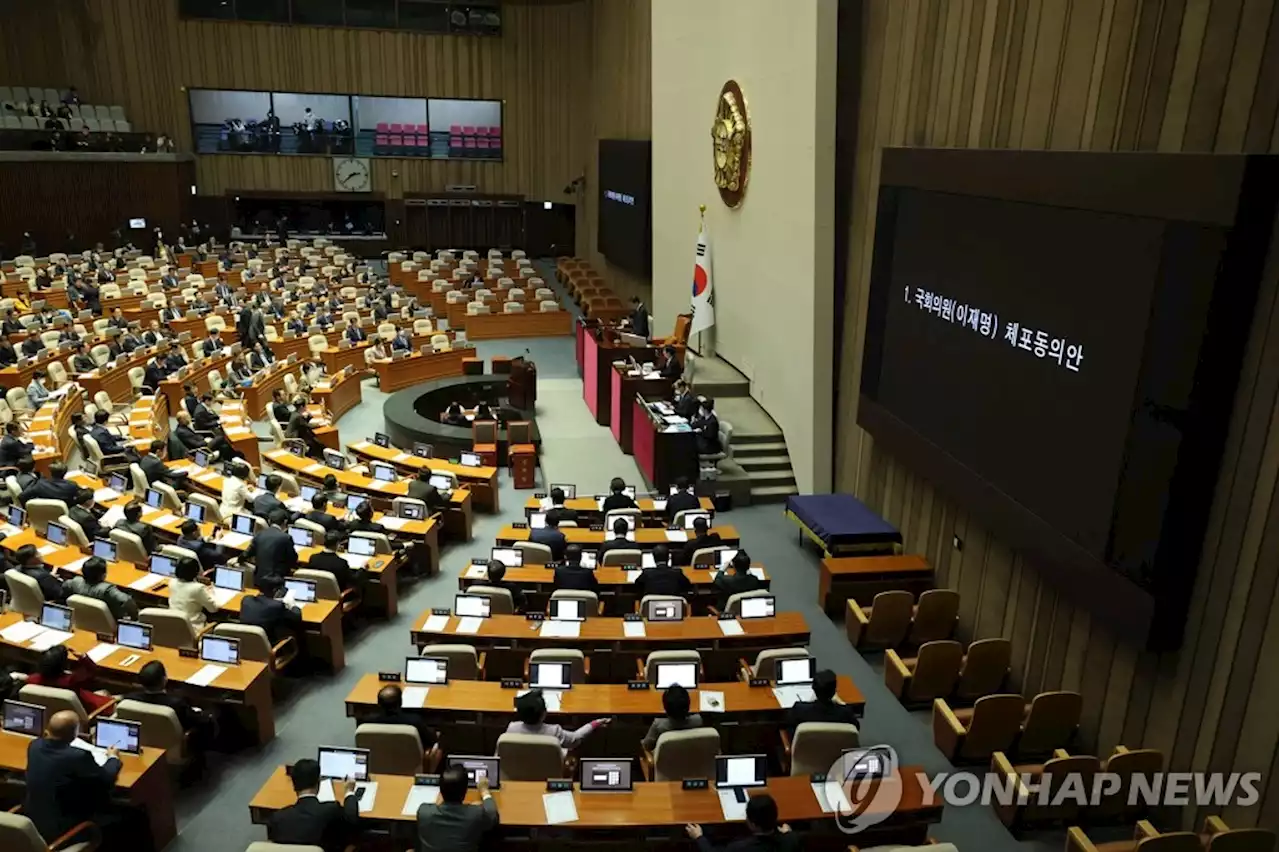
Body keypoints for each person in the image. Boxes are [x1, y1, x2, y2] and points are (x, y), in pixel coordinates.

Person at [24, 709, 123, 847]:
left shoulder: (34, 746)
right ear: (74, 734)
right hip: (65, 831)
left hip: (33, 820)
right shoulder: (78, 756)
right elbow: (106, 779)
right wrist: (113, 757)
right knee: (126, 816)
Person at [266, 757, 359, 852]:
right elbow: (351, 819)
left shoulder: (277, 818)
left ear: (294, 786)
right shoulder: (331, 810)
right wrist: (349, 792)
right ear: (318, 783)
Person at [414, 764, 498, 852]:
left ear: (440, 790)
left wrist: (439, 803)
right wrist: (484, 790)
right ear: (465, 791)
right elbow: (493, 815)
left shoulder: (423, 812)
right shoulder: (476, 814)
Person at [507, 690, 609, 757]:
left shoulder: (511, 729)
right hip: (548, 776)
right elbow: (576, 739)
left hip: (517, 775)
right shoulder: (554, 732)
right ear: (544, 714)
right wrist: (595, 723)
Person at [685, 794, 797, 851]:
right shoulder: (792, 839)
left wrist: (699, 837)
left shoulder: (739, 848)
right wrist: (788, 834)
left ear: (753, 824)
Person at [27, 645, 113, 713]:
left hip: (51, 713)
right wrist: (83, 657)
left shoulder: (32, 680)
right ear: (63, 665)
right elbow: (92, 671)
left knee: (102, 693)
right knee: (106, 694)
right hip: (90, 710)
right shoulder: (71, 681)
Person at [367, 683, 437, 754]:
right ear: (401, 702)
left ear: (378, 704)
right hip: (411, 762)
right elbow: (432, 741)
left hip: (380, 761)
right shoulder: (414, 721)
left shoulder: (368, 724)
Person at [62, 556, 137, 621]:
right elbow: (126, 600)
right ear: (103, 575)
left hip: (82, 620)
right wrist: (135, 617)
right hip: (107, 625)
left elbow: (64, 586)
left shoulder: (75, 582)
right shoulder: (107, 590)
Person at [785, 669, 857, 734]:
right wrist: (842, 704)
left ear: (813, 688)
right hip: (835, 747)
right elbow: (855, 729)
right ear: (834, 691)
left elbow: (789, 728)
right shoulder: (845, 713)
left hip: (807, 747)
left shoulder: (799, 709)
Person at [240, 575, 304, 643]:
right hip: (268, 647)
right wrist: (292, 605)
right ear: (276, 590)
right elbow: (297, 618)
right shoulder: (276, 606)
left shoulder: (246, 600)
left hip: (245, 645)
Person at [642, 683, 704, 751]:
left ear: (665, 708)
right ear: (688, 706)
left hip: (666, 760)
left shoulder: (658, 726)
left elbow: (647, 746)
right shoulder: (698, 721)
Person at [244, 509, 298, 586]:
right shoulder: (286, 538)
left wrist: (238, 559)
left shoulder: (259, 534)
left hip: (258, 580)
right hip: (277, 582)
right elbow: (293, 560)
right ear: (285, 522)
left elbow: (247, 554)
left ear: (269, 521)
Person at [167, 555, 219, 628]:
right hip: (193, 627)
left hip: (173, 624)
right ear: (196, 572)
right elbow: (213, 609)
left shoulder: (172, 582)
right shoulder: (198, 588)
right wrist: (211, 593)